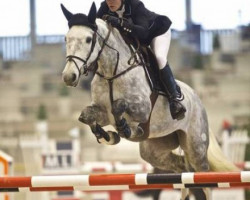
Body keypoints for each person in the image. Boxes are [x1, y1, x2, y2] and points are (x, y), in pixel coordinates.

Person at [97, 0, 186, 120]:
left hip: (156, 33)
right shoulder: (104, 6)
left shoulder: (136, 5)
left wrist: (120, 23)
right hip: (135, 38)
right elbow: (95, 26)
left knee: (159, 57)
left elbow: (143, 33)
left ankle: (174, 98)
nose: (110, 2)